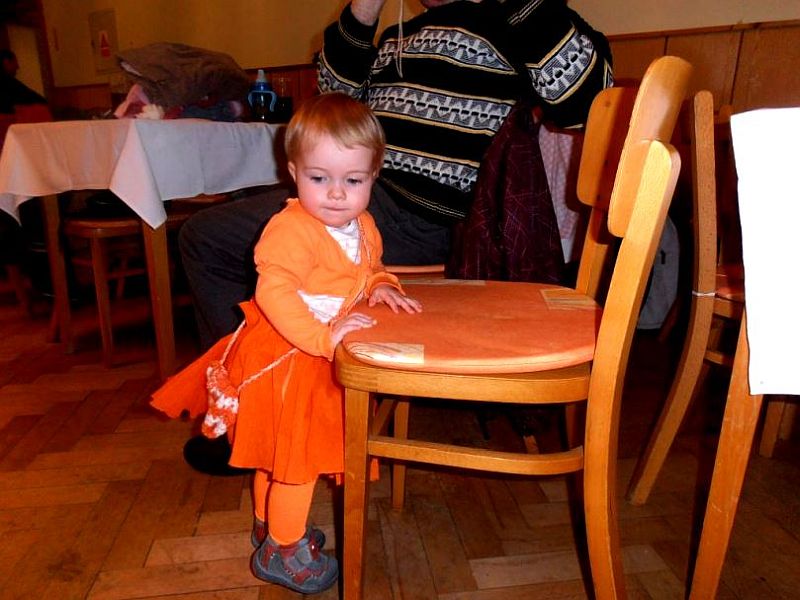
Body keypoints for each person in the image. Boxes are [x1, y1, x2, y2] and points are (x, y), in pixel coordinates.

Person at [178, 0, 613, 473]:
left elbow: (587, 102)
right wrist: (365, 7)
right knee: (232, 225)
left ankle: (247, 412)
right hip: (363, 194)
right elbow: (332, 107)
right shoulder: (399, 36)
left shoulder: (511, 17)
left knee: (208, 237)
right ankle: (265, 399)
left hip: (423, 215)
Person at [152, 92, 421, 593]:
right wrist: (322, 338)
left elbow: (369, 270)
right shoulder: (290, 229)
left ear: (373, 177)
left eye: (353, 181)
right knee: (298, 461)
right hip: (289, 356)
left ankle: (269, 525)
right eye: (319, 178)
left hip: (318, 352)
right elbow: (272, 293)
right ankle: (283, 547)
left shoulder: (363, 226)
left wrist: (382, 285)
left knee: (277, 453)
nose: (336, 194)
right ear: (294, 172)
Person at [0, 49, 47, 114]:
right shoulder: (9, 83)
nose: (17, 66)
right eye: (15, 62)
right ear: (6, 62)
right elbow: (36, 99)